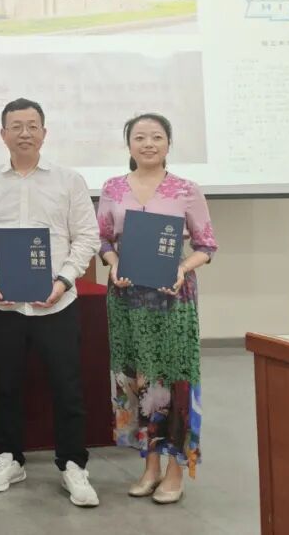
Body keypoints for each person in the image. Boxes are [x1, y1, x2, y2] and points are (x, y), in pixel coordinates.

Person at [0, 98, 101, 508]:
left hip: (56, 303)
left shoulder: (69, 180)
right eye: (16, 126)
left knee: (67, 387)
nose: (24, 133)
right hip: (3, 304)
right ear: (2, 133)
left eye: (32, 125)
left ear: (44, 132)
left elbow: (87, 237)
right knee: (5, 386)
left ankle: (73, 464)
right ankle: (10, 458)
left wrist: (63, 280)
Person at [97, 113, 217, 504]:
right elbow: (103, 240)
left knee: (174, 380)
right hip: (127, 299)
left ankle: (175, 469)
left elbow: (206, 246)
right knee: (137, 379)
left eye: (156, 137)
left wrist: (182, 268)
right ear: (128, 144)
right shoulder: (113, 188)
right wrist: (113, 264)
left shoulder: (186, 189)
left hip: (171, 299)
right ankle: (149, 466)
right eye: (140, 137)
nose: (148, 143)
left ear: (168, 143)